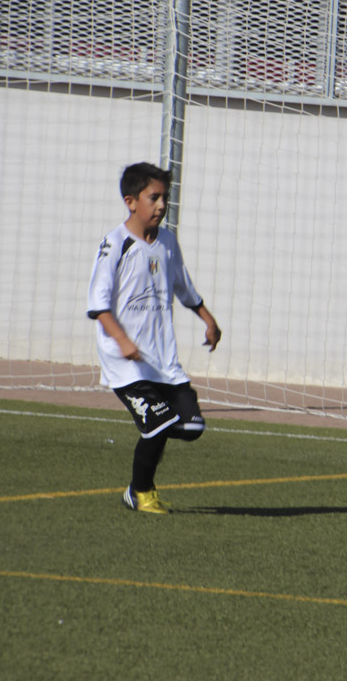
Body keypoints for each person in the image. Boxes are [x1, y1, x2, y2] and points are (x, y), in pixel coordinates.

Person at [86, 162, 221, 514]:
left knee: (192, 426)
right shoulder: (114, 245)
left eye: (165, 198)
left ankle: (152, 441)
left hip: (162, 361)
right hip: (126, 364)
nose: (162, 205)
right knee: (159, 423)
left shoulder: (167, 242)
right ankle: (140, 493)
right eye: (154, 197)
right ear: (131, 201)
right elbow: (99, 306)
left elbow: (183, 287)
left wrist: (208, 320)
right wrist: (124, 342)